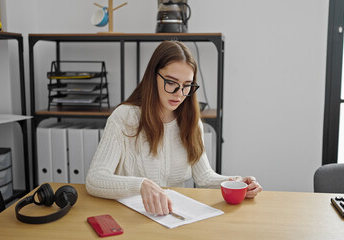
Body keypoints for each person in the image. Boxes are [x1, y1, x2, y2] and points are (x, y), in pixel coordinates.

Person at [85, 40, 262, 216]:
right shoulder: (124, 117)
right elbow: (94, 179)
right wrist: (141, 184)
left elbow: (204, 177)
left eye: (187, 85)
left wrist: (237, 182)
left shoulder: (191, 122)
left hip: (173, 217)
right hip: (131, 217)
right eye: (171, 82)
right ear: (153, 77)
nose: (179, 94)